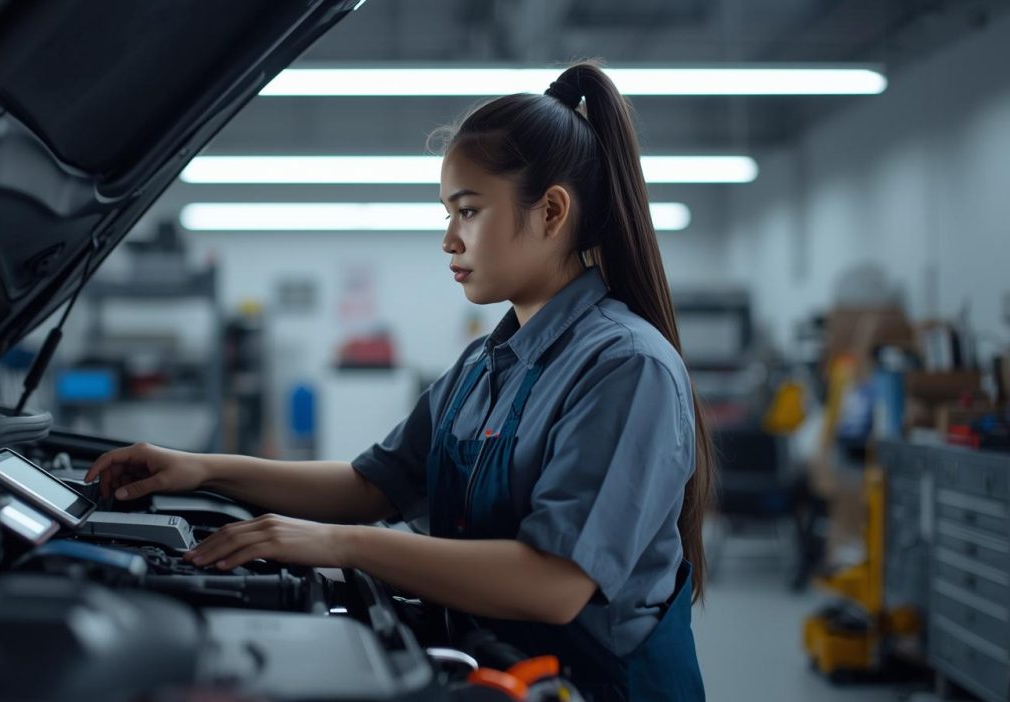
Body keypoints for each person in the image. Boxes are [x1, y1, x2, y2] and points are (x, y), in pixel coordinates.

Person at [86, 60, 713, 700]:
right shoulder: (484, 366)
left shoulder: (625, 367)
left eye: (468, 211)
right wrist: (201, 469)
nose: (449, 240)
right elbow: (371, 485)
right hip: (501, 675)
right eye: (447, 214)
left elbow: (553, 584)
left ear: (551, 211)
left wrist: (342, 545)